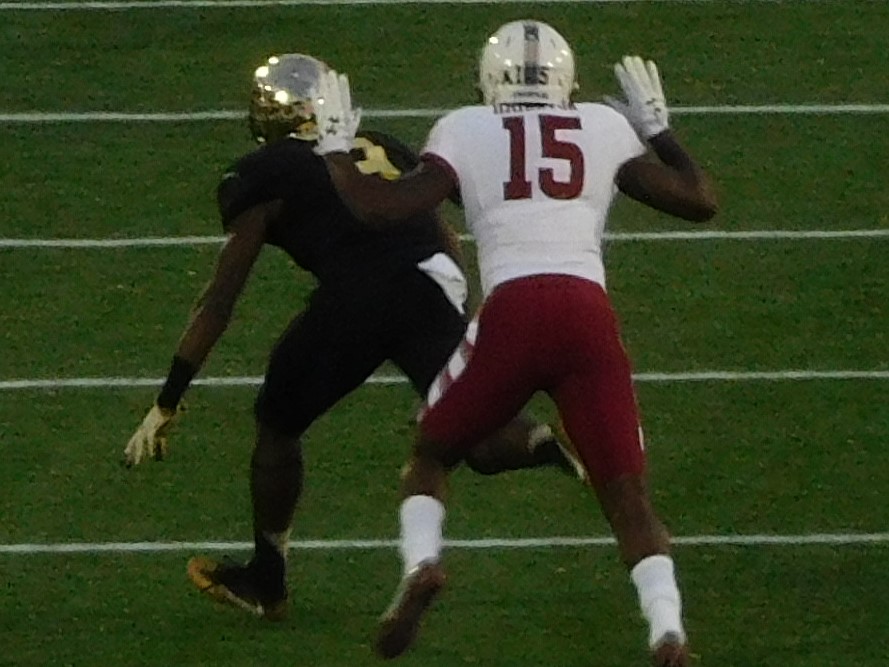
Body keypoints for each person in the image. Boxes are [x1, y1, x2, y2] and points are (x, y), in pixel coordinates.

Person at [122, 52, 584, 622]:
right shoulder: (381, 144)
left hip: (359, 295)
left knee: (278, 424)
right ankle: (547, 442)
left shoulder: (263, 172)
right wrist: (457, 317)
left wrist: (167, 400)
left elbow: (220, 300)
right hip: (431, 282)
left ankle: (267, 579)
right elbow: (444, 235)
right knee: (476, 433)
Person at [312, 20, 717, 667]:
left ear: (486, 80)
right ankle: (667, 632)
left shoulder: (464, 127)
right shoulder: (602, 126)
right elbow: (699, 200)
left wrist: (336, 152)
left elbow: (383, 209)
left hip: (515, 312)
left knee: (430, 455)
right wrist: (658, 130)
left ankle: (422, 564)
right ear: (567, 81)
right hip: (587, 317)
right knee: (627, 498)